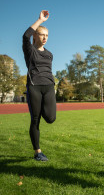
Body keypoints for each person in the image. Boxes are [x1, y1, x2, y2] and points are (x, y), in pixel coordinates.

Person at [23, 10, 56, 161]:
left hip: (48, 87)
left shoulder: (49, 54)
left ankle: (41, 108)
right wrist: (40, 21)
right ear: (35, 36)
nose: (45, 38)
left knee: (50, 118)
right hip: (34, 86)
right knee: (35, 120)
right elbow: (25, 36)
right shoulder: (30, 51)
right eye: (42, 34)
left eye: (47, 35)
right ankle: (38, 152)